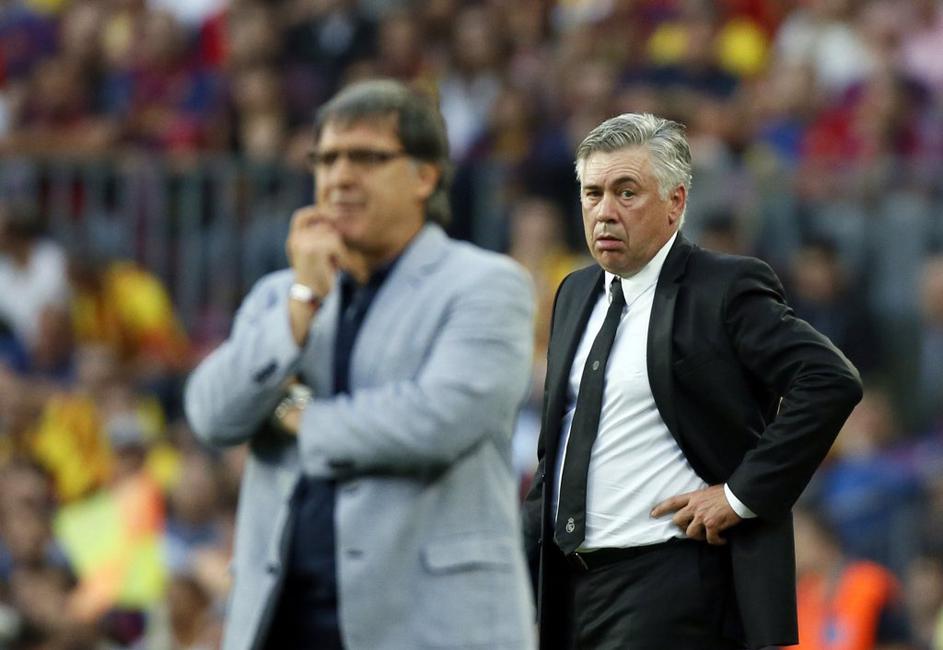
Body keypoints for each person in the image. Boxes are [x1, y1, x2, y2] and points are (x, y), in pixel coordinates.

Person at [184, 79, 537, 650]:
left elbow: (434, 421)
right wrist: (301, 303)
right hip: (285, 623)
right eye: (326, 159)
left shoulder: (486, 285)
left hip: (429, 626)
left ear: (425, 177)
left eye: (366, 158)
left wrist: (297, 414)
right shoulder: (281, 295)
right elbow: (211, 414)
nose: (339, 177)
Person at [521, 112, 863, 650]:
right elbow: (556, 456)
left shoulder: (723, 287)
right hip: (569, 591)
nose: (605, 211)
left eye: (626, 192)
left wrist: (739, 495)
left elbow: (828, 379)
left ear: (676, 202)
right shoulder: (572, 293)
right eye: (592, 194)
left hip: (671, 584)